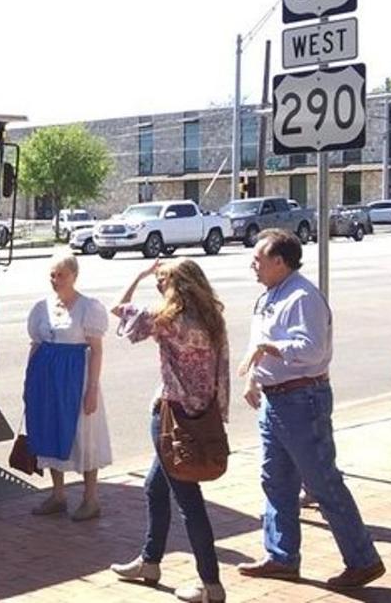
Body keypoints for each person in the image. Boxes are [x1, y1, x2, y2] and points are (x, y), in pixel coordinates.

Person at [237, 228, 384, 589]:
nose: (252, 265)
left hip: (302, 400)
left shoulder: (303, 297)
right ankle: (281, 556)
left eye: (258, 259)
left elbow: (312, 350)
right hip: (275, 399)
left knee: (322, 483)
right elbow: (258, 345)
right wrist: (253, 378)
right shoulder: (270, 296)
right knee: (275, 480)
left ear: (279, 261)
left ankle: (363, 559)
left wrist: (273, 348)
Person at [109, 258, 230, 603]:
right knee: (154, 486)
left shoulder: (168, 319)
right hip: (201, 412)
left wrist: (139, 273)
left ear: (179, 285)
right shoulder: (211, 319)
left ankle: (211, 583)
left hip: (172, 416)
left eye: (163, 281)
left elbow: (119, 309)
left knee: (188, 500)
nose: (159, 286)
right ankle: (150, 561)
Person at [24, 251, 111, 522]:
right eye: (53, 274)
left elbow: (96, 350)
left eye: (61, 274)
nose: (56, 279)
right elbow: (36, 344)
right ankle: (58, 494)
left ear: (74, 275)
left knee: (83, 434)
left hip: (76, 377)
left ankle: (91, 498)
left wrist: (92, 389)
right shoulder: (42, 307)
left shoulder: (89, 308)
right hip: (47, 378)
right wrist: (29, 381)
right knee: (49, 429)